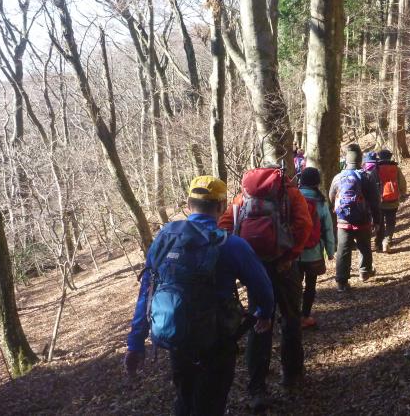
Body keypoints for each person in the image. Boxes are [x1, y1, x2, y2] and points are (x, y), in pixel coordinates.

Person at [124, 176, 274, 416]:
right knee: (210, 404)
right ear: (222, 206)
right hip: (217, 342)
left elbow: (146, 293)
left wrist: (135, 342)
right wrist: (264, 313)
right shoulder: (231, 244)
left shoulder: (164, 239)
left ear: (188, 204)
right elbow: (263, 288)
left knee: (185, 398)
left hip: (176, 337)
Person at [219, 164, 312, 411]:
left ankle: (257, 388)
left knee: (260, 323)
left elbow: (225, 226)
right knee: (290, 319)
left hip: (255, 269)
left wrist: (243, 261)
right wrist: (290, 256)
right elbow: (304, 225)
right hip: (285, 267)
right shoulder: (290, 194)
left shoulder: (243, 197)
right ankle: (292, 375)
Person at [329, 144, 381, 291]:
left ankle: (341, 282)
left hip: (343, 220)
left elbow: (331, 197)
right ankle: (364, 271)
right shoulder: (366, 176)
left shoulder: (338, 177)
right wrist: (377, 221)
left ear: (347, 160)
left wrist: (339, 211)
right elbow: (375, 201)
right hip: (363, 219)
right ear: (360, 160)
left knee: (343, 249)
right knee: (364, 246)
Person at [297, 167, 335, 328]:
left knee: (294, 285)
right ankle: (305, 316)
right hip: (314, 252)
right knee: (310, 285)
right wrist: (330, 251)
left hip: (293, 252)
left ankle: (292, 316)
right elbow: (328, 228)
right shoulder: (320, 202)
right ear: (317, 183)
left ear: (301, 181)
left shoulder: (292, 198)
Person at [376, 149, 408, 253]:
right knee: (390, 222)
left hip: (379, 201)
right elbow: (402, 183)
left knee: (380, 223)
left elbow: (371, 183)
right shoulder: (396, 168)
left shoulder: (376, 169)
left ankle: (378, 244)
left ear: (380, 157)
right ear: (390, 157)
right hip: (393, 201)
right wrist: (402, 193)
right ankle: (387, 240)